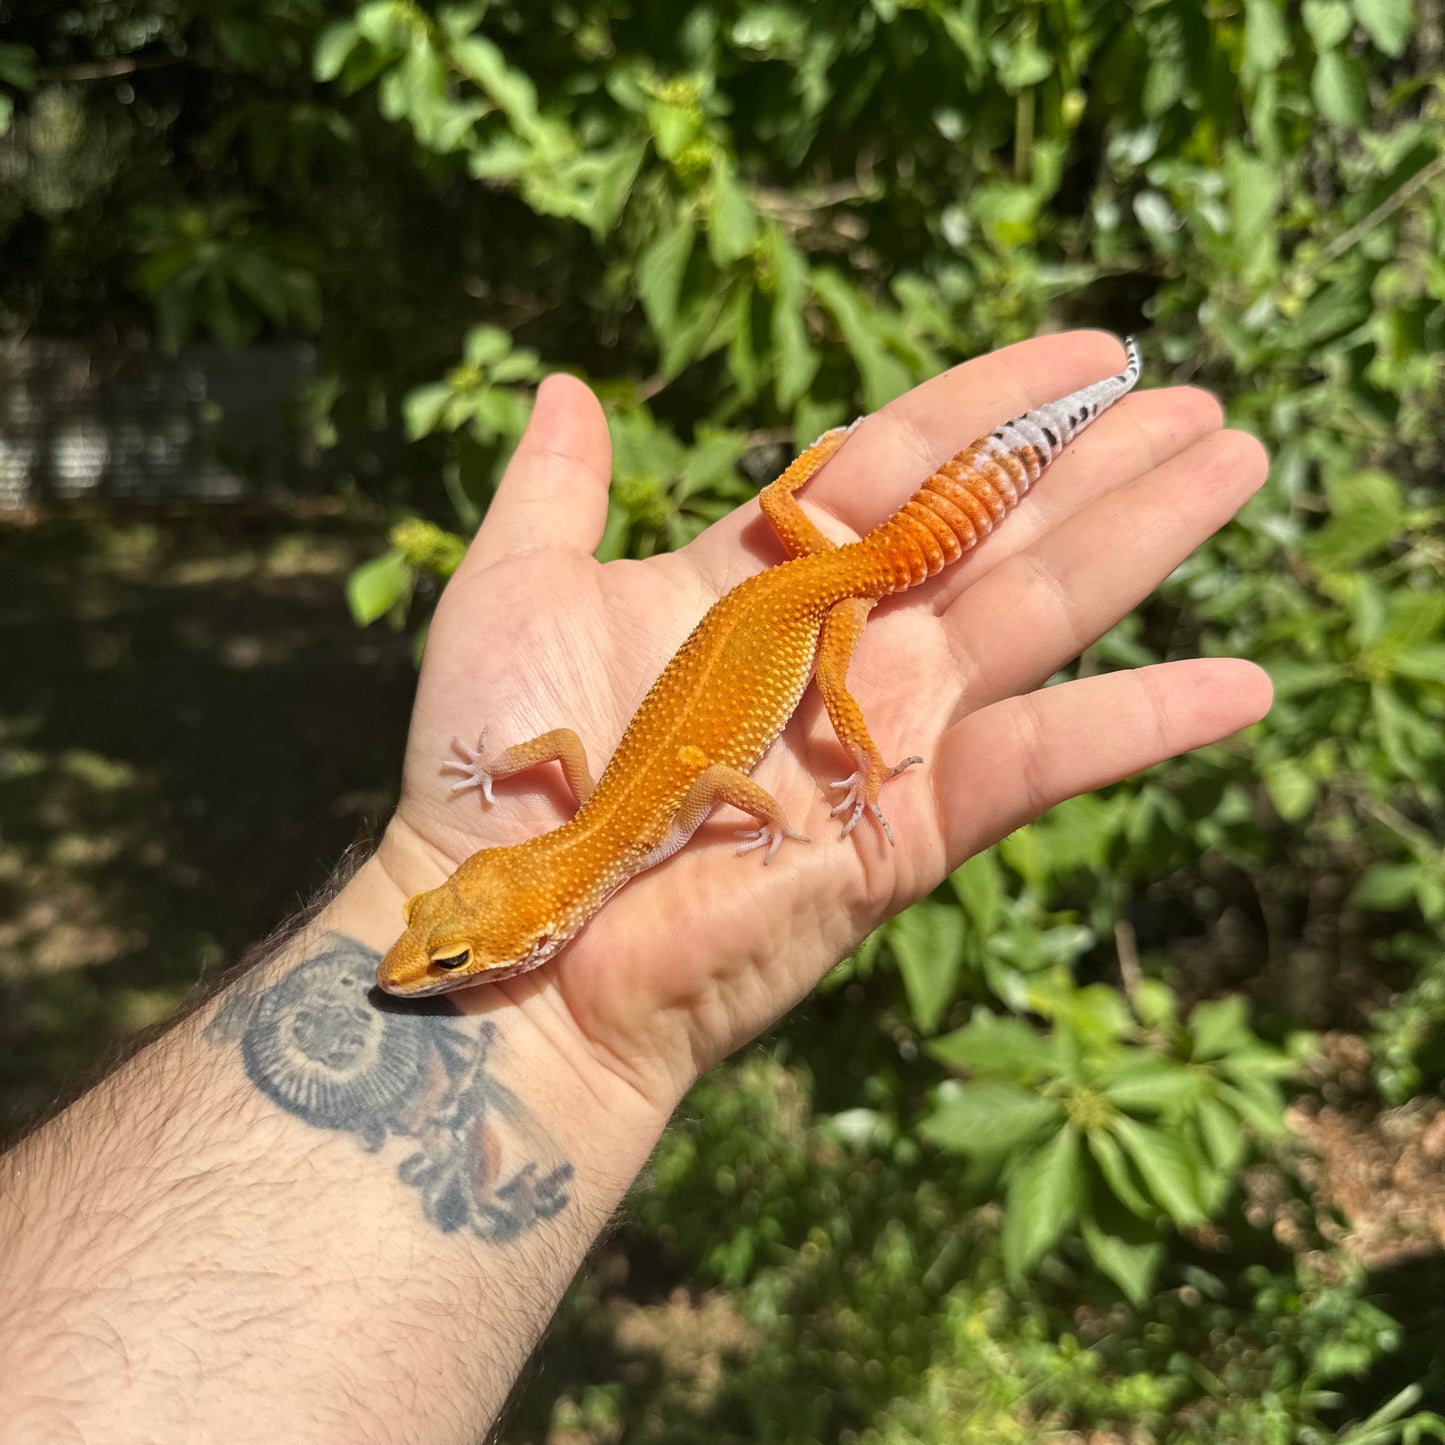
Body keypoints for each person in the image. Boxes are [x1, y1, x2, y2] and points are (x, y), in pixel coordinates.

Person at [0, 333, 1270, 1442]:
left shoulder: (613, 835)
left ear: (538, 913)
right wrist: (501, 778)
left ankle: (1031, 445)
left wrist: (825, 781)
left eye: (444, 955)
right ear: (513, 894)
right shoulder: (589, 825)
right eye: (444, 952)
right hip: (799, 570)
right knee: (832, 588)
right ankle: (890, 467)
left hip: (822, 594)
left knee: (840, 702)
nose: (422, 971)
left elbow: (720, 767)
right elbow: (589, 759)